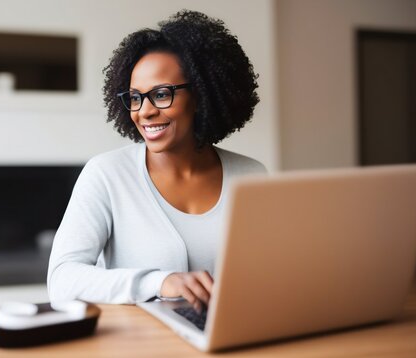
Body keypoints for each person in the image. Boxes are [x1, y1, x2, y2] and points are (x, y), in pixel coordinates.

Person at [47, 10, 266, 314]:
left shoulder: (252, 176)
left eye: (161, 94)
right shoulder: (107, 175)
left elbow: (267, 274)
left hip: (230, 337)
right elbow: (62, 280)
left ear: (201, 95)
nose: (144, 112)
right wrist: (159, 283)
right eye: (136, 98)